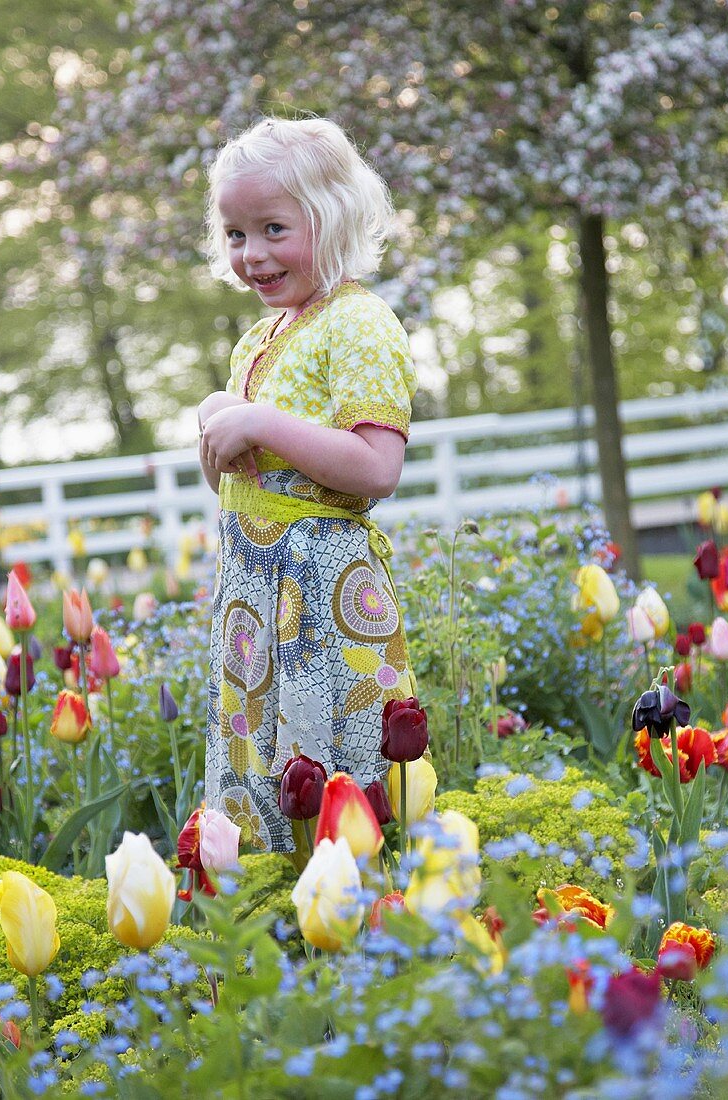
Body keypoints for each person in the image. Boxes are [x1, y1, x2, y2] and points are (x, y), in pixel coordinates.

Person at [197, 117, 418, 854]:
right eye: (235, 234)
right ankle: (273, 926)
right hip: (255, 595)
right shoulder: (261, 339)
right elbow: (248, 479)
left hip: (319, 590)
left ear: (330, 221)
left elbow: (375, 468)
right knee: (261, 764)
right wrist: (220, 419)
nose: (251, 254)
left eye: (272, 229)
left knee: (331, 766)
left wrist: (257, 419)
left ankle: (355, 921)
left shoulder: (358, 323)